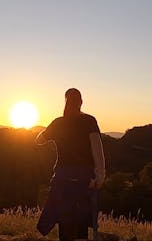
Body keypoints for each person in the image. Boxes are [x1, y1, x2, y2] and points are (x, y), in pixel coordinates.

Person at [36, 88, 105, 241]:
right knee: (81, 223)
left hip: (62, 177)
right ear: (81, 102)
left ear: (65, 102)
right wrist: (100, 174)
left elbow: (39, 140)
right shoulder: (89, 121)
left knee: (65, 221)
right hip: (85, 177)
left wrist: (48, 131)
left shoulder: (58, 122)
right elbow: (97, 147)